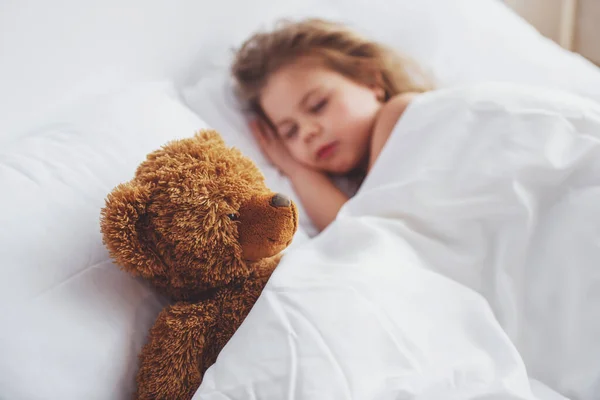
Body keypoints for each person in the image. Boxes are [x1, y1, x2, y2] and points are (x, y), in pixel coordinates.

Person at [231, 18, 433, 232]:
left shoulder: (400, 112)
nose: (308, 132)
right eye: (291, 131)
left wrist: (297, 171)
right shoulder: (363, 189)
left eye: (318, 105)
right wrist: (296, 170)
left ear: (370, 80)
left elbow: (361, 233)